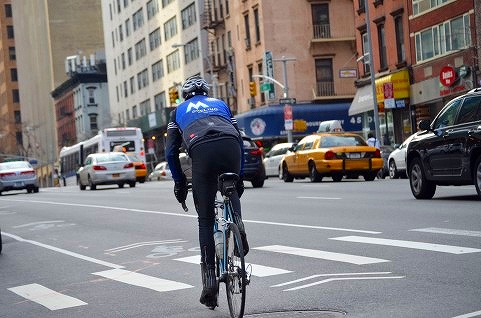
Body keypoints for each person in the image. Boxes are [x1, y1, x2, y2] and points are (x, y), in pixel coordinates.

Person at [165, 75, 249, 308]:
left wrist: (179, 182)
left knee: (205, 221)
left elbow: (171, 152)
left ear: (185, 96)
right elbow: (239, 139)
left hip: (202, 149)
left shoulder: (178, 112)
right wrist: (239, 175)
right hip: (230, 146)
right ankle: (239, 225)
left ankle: (210, 283)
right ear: (205, 92)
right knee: (230, 187)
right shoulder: (220, 104)